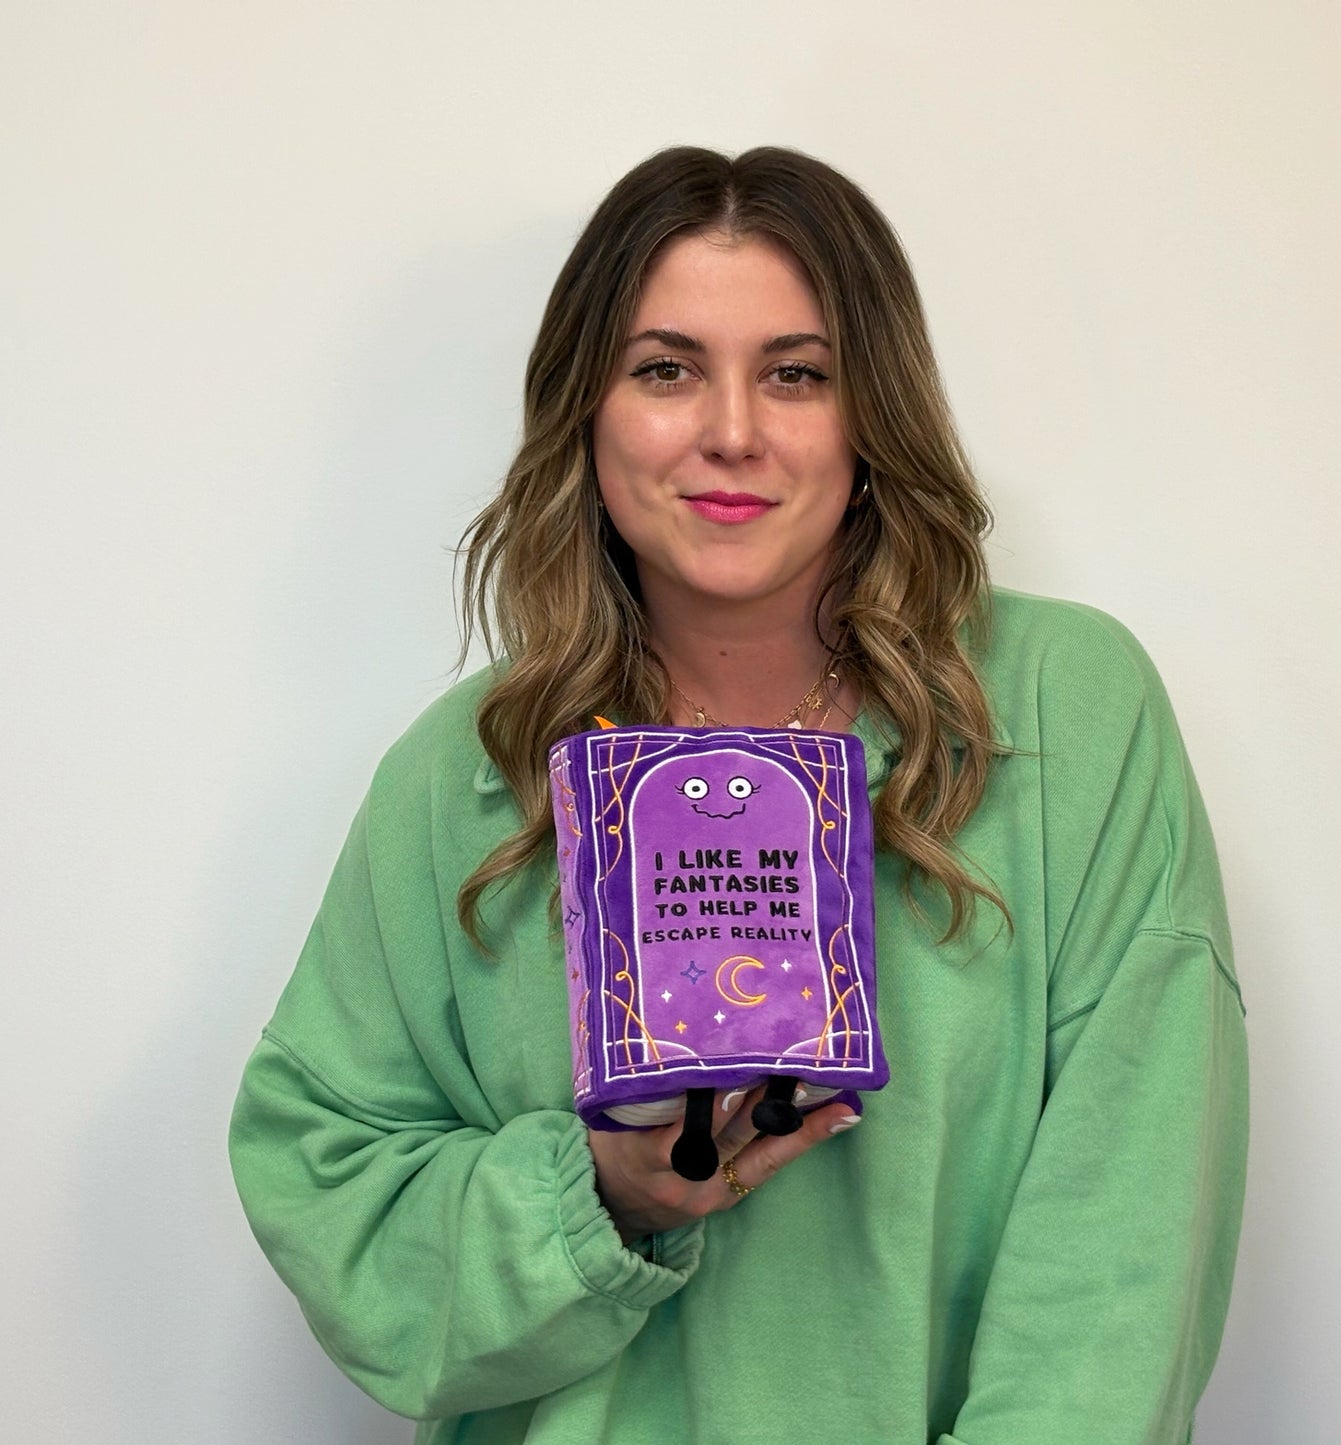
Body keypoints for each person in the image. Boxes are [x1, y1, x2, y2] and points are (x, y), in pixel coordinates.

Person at [229, 146, 1248, 1444]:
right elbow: (324, 1179)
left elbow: (1126, 1233)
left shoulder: (1060, 712)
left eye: (796, 373)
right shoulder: (470, 770)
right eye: (665, 368)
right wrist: (596, 1196)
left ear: (870, 413)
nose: (730, 429)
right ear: (586, 411)